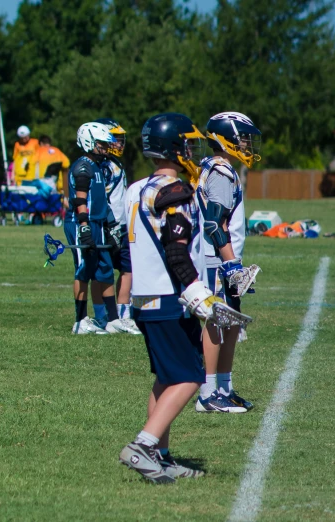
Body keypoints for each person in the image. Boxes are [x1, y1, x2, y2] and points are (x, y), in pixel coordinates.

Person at [119, 112, 210, 483]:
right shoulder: (176, 191)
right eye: (188, 144)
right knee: (191, 376)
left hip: (143, 297)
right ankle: (142, 446)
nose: (192, 150)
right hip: (168, 296)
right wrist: (198, 293)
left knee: (165, 378)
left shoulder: (137, 188)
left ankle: (161, 455)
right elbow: (176, 252)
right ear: (175, 148)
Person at [194, 112, 262, 414]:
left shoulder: (221, 169)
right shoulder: (221, 172)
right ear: (226, 139)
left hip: (224, 258)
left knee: (231, 322)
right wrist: (231, 264)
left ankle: (224, 387)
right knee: (216, 320)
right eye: (242, 137)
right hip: (216, 260)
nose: (247, 143)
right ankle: (207, 393)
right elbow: (213, 223)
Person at [64, 122, 134, 335]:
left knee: (103, 269)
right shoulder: (82, 166)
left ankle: (112, 320)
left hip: (99, 223)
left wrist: (111, 225)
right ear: (89, 142)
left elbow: (102, 199)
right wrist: (84, 226)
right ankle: (80, 320)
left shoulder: (98, 166)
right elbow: (80, 200)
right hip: (82, 223)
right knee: (84, 269)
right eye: (101, 144)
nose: (104, 148)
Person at [90, 119, 140, 335]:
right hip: (106, 226)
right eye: (115, 139)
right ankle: (102, 316)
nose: (119, 144)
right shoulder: (101, 167)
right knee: (101, 273)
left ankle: (123, 315)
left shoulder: (116, 164)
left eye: (121, 139)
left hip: (123, 226)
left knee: (129, 270)